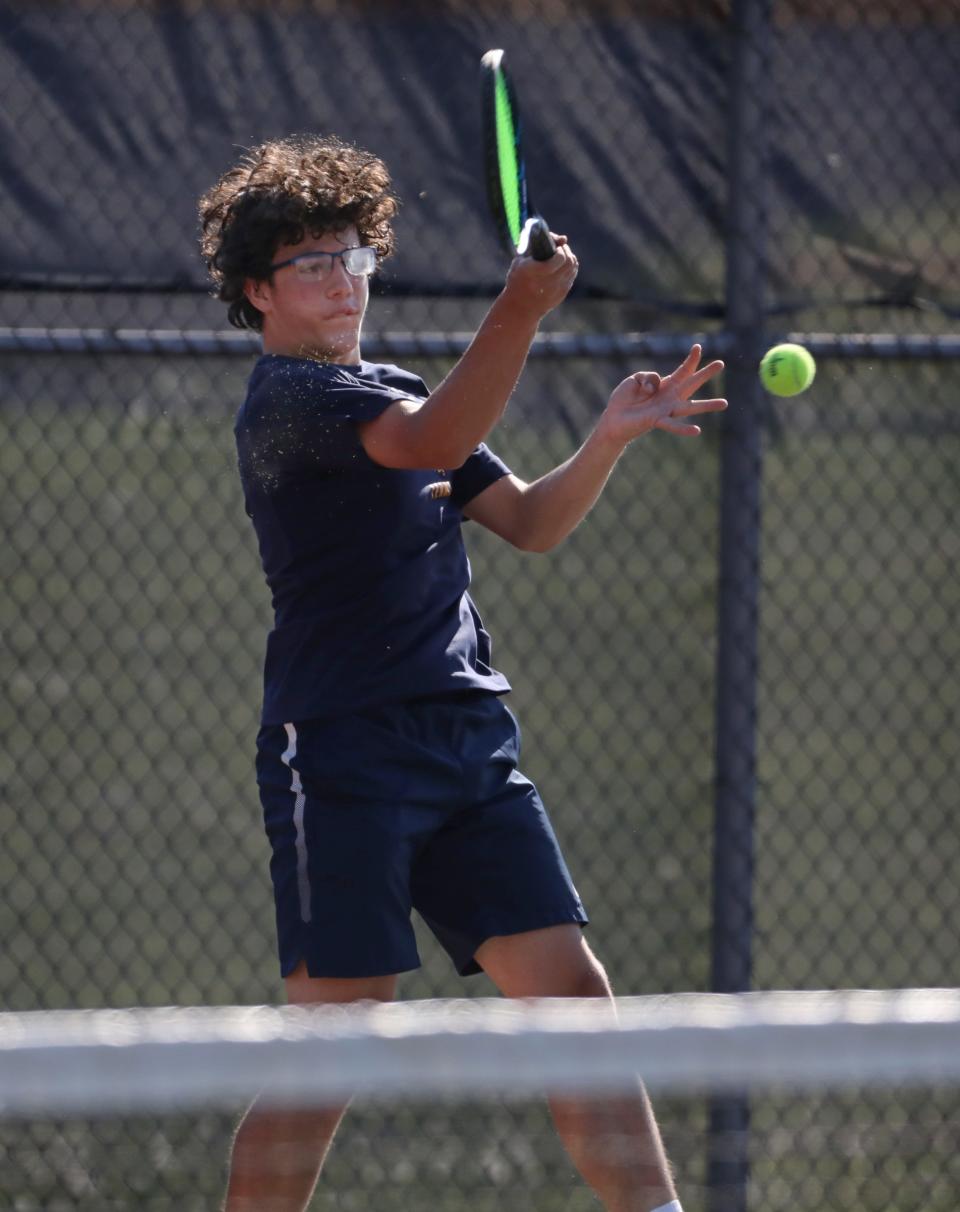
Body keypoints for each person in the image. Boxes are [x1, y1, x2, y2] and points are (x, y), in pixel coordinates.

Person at [199, 133, 725, 1212]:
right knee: (337, 1041)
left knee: (577, 1003)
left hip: (470, 749)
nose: (341, 279)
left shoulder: (384, 386)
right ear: (259, 291)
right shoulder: (289, 403)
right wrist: (522, 309)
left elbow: (527, 521)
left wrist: (609, 438)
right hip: (343, 750)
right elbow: (435, 434)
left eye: (353, 253)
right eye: (309, 263)